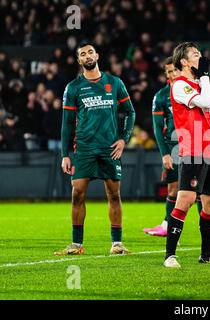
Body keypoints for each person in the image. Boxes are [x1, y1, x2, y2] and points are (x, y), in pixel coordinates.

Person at [54, 42, 136, 255]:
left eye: (90, 52)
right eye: (83, 54)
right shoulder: (73, 88)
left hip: (110, 149)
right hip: (84, 149)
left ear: (97, 55)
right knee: (77, 195)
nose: (87, 56)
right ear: (79, 61)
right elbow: (67, 123)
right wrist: (65, 154)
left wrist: (123, 139)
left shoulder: (114, 83)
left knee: (114, 195)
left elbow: (130, 112)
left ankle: (116, 244)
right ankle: (77, 244)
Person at [143, 57, 210, 237]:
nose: (172, 74)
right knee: (176, 189)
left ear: (179, 68)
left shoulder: (192, 87)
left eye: (174, 70)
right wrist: (165, 153)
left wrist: (209, 78)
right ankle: (169, 226)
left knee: (198, 190)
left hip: (195, 144)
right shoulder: (161, 96)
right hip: (174, 146)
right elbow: (158, 128)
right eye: (168, 72)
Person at [163, 42, 210, 268]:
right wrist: (203, 80)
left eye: (201, 54)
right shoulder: (179, 85)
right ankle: (170, 256)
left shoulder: (202, 83)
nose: (200, 57)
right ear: (183, 61)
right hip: (193, 149)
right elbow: (204, 102)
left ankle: (208, 254)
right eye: (195, 54)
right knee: (186, 200)